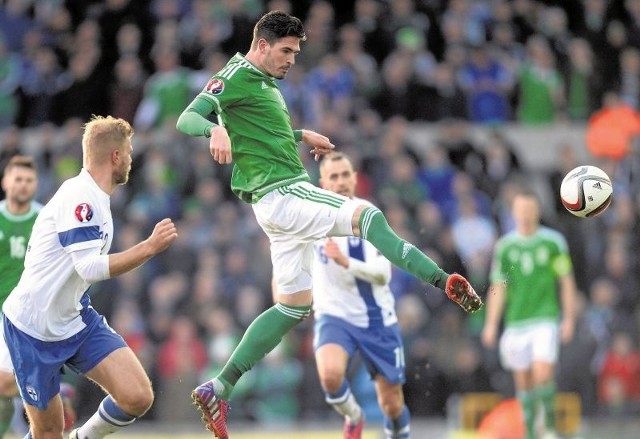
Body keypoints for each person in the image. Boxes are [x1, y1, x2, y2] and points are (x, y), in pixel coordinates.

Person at [176, 11, 482, 439]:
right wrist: (212, 130)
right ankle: (442, 279)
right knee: (367, 215)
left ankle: (220, 385)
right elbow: (186, 118)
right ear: (261, 45)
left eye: (296, 54)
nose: (291, 61)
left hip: (273, 204)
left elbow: (257, 128)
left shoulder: (263, 82)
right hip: (284, 192)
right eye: (285, 51)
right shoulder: (236, 75)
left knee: (293, 306)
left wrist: (300, 134)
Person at [2, 116, 178, 439]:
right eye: (128, 150)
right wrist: (148, 248)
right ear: (114, 156)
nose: (130, 157)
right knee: (47, 433)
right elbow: (89, 268)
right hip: (33, 329)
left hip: (74, 319)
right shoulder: (81, 197)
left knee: (138, 395)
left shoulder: (97, 197)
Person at [312, 152, 410, 439]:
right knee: (330, 376)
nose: (341, 182)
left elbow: (383, 273)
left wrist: (346, 262)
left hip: (376, 318)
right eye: (334, 176)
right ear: (322, 183)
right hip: (334, 316)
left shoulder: (367, 216)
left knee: (391, 404)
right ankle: (354, 417)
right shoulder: (310, 218)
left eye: (345, 175)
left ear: (355, 178)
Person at [481, 189, 577, 439]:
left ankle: (551, 430)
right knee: (523, 382)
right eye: (521, 210)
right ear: (514, 213)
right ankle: (532, 432)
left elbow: (566, 282)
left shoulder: (553, 242)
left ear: (537, 211)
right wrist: (491, 324)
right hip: (516, 322)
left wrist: (569, 318)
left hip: (545, 318)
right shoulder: (506, 247)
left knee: (543, 373)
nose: (525, 214)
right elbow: (499, 286)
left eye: (530, 209)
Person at [0, 156, 76, 437]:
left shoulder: (45, 219)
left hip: (26, 316)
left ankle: (48, 389)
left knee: (3, 385)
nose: (22, 185)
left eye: (28, 181)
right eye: (17, 179)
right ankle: (51, 387)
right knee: (4, 388)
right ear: (6, 182)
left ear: (35, 185)